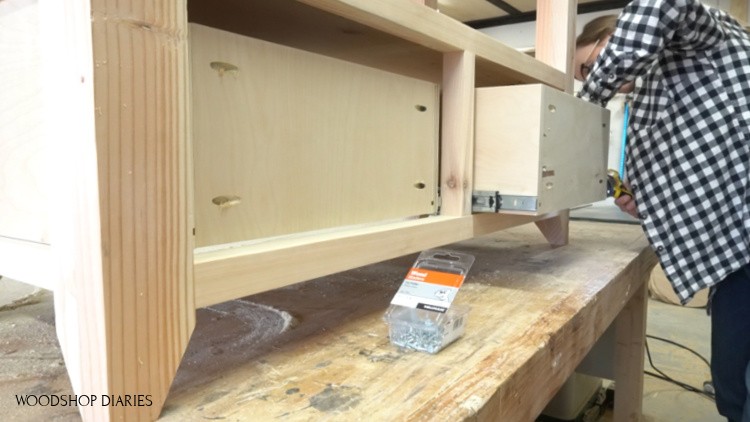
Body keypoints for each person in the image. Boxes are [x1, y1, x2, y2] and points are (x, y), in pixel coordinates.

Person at [573, 2, 750, 421]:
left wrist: (586, 101)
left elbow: (663, 4)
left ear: (613, 37)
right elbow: (695, 178)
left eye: (588, 65)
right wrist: (646, 203)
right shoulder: (651, 97)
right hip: (735, 255)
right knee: (730, 388)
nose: (600, 80)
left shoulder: (694, 43)